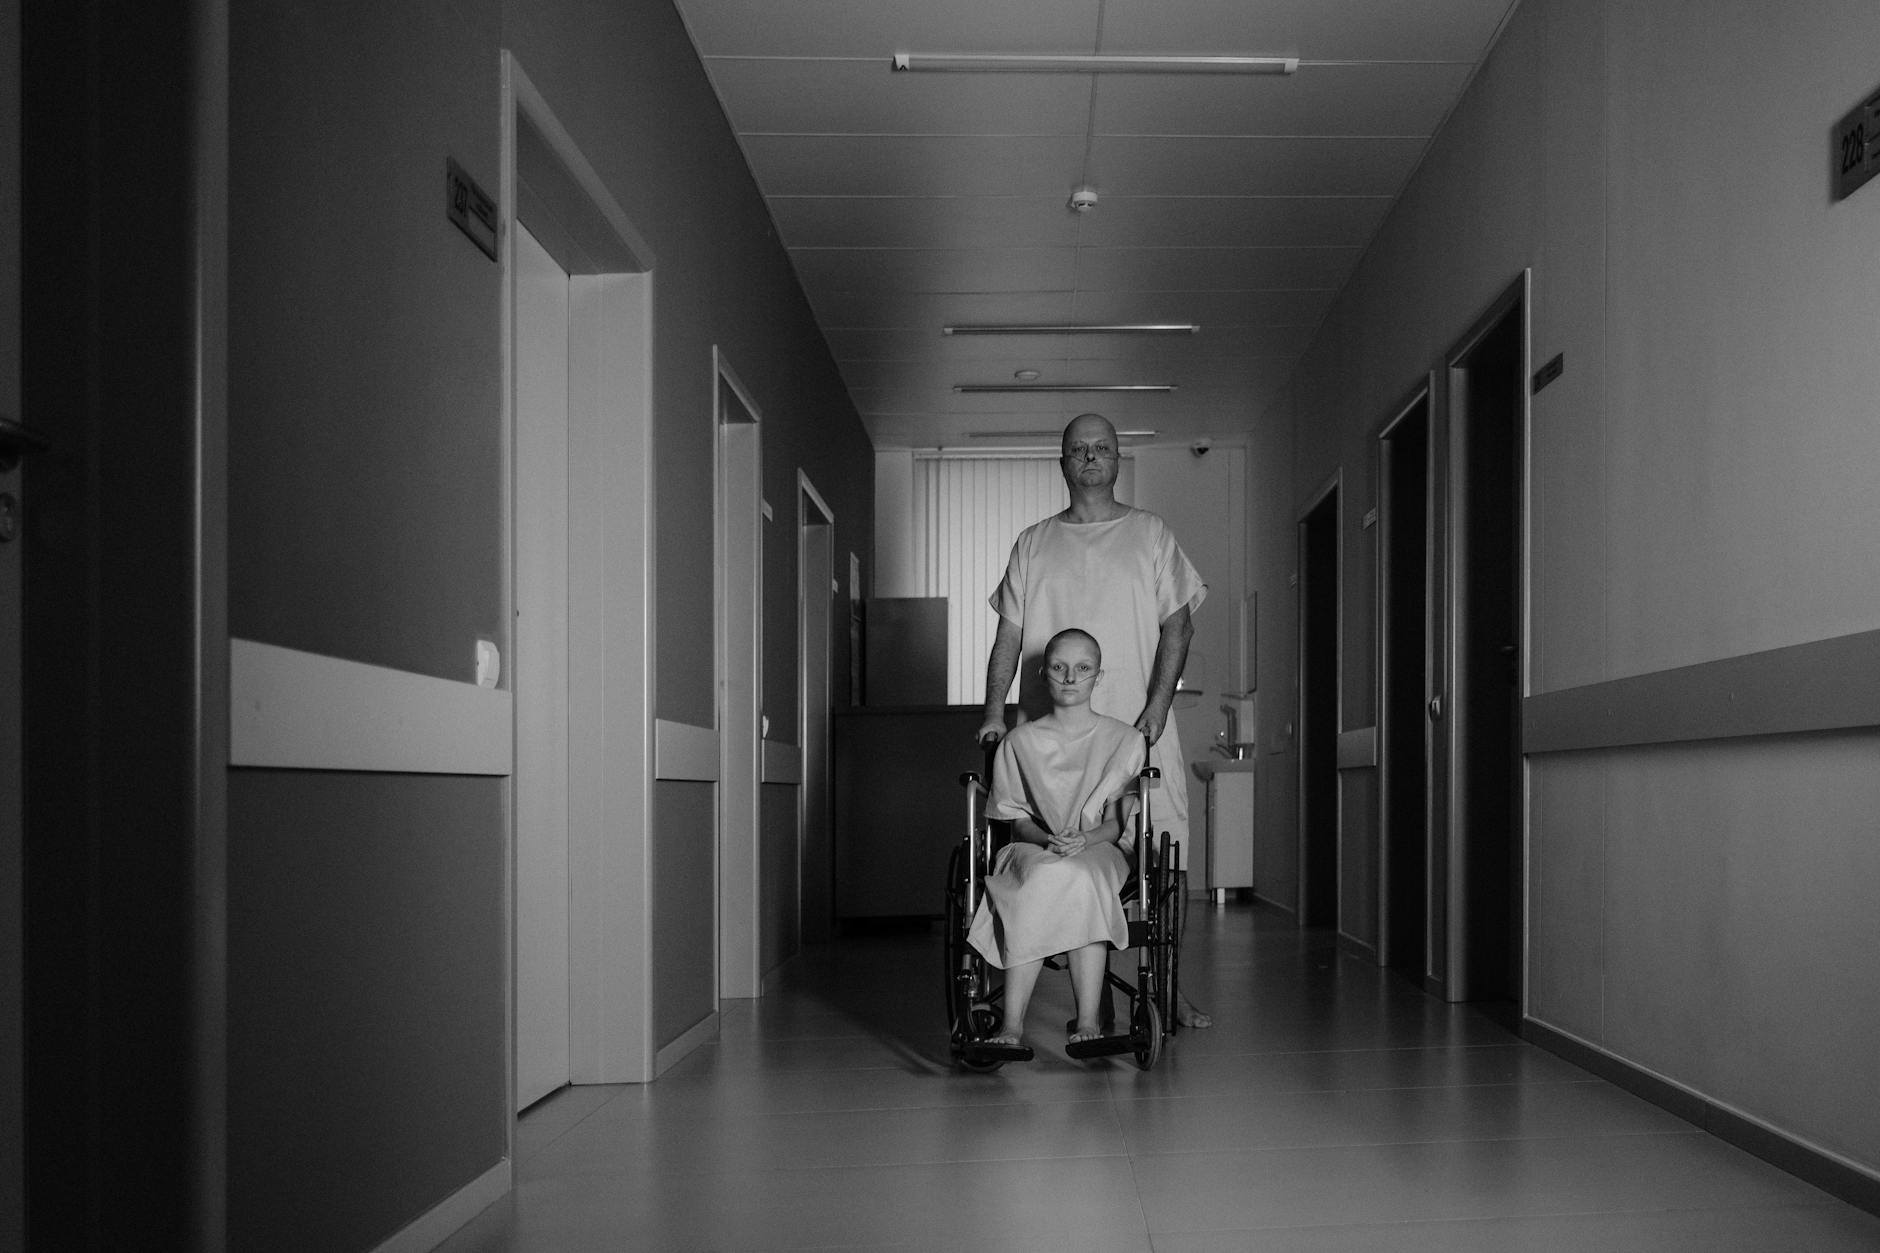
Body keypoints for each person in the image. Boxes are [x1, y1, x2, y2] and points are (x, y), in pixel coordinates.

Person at [976, 412, 1214, 1029]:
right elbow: (1009, 637)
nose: (1089, 457)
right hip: (1050, 742)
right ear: (1062, 462)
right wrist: (995, 712)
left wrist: (1156, 708)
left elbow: (1179, 625)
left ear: (1117, 459)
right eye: (1078, 449)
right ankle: (1079, 995)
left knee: (1165, 858)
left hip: (1137, 732)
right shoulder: (1033, 542)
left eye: (1101, 447)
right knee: (1057, 854)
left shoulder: (1150, 533)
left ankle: (1169, 988)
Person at [966, 629, 1145, 1047]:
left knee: (1083, 877)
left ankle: (1088, 1021)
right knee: (1039, 876)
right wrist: (1049, 840)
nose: (1070, 677)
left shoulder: (1125, 739)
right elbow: (1016, 820)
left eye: (1082, 668)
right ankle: (1011, 1026)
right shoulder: (1019, 742)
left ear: (1098, 676)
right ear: (1044, 673)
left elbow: (1117, 823)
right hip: (1033, 846)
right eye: (1060, 667)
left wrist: (1085, 840)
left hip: (1101, 847)